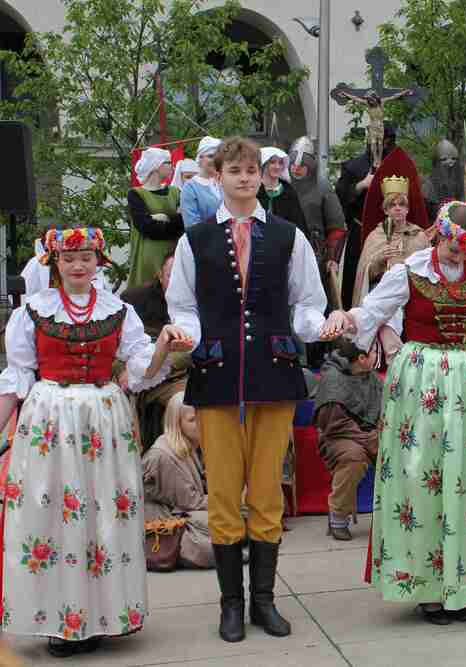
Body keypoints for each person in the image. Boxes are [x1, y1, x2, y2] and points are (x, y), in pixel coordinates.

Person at [322, 201, 466, 625]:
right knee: (423, 474)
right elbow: (373, 311)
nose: (460, 259)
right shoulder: (410, 272)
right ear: (441, 237)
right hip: (423, 377)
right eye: (454, 250)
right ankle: (428, 586)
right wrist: (346, 317)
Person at [166, 137, 329, 643]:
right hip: (216, 373)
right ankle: (230, 605)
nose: (244, 178)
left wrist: (316, 327)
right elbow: (183, 303)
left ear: (262, 176)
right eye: (234, 170)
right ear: (218, 176)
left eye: (251, 170)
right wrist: (189, 337)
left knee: (265, 490)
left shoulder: (287, 236)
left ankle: (264, 601)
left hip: (273, 371)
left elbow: (307, 299)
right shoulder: (195, 239)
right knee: (223, 493)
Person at [0, 227, 190, 658]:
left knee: (103, 511)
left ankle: (102, 614)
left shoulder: (117, 310)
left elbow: (142, 367)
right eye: (69, 259)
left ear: (98, 261)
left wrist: (162, 345)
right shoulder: (33, 310)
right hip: (51, 419)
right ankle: (59, 622)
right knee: (53, 518)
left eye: (86, 257)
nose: (78, 265)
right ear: (55, 264)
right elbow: (16, 379)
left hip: (103, 421)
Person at [353, 176, 432, 361]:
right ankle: (393, 355)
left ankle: (397, 355)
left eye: (401, 204)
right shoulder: (376, 236)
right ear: (386, 210)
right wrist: (380, 260)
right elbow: (365, 273)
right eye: (392, 205)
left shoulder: (419, 236)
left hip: (413, 289)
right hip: (382, 288)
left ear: (407, 209)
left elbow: (429, 268)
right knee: (387, 306)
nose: (397, 208)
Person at [313, 337, 382, 541]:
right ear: (361, 358)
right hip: (337, 436)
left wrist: (379, 433)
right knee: (354, 458)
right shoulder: (333, 378)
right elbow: (333, 423)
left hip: (370, 433)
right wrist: (369, 438)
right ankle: (337, 517)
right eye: (374, 353)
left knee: (396, 453)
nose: (377, 357)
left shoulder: (371, 377)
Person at [122, 251, 191, 449]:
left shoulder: (200, 303)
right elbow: (117, 344)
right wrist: (120, 371)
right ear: (160, 276)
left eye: (182, 276)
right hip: (138, 375)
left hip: (180, 377)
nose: (178, 281)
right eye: (171, 275)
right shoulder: (134, 300)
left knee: (192, 402)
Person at [143, 393, 214, 569]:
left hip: (183, 511)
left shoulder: (192, 445)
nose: (201, 423)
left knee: (233, 518)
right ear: (177, 423)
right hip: (164, 521)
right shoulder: (163, 456)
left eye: (203, 417)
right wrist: (231, 500)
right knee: (222, 524)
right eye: (192, 420)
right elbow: (191, 502)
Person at [336, 123, 398, 309]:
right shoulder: (353, 166)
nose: (381, 145)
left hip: (391, 233)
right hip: (360, 231)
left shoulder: (398, 166)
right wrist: (361, 185)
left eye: (387, 141)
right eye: (378, 140)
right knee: (355, 277)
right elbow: (339, 196)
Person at [289, 135, 347, 316]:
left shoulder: (322, 187)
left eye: (301, 166)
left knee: (315, 304)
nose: (296, 169)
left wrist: (332, 258)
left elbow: (337, 227)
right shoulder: (279, 185)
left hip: (315, 255)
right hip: (283, 250)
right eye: (293, 165)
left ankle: (318, 343)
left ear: (311, 166)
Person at [127, 147, 183, 289]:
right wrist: (173, 219)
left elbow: (183, 223)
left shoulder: (175, 192)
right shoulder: (136, 194)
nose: (173, 166)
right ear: (156, 166)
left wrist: (162, 218)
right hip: (147, 257)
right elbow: (148, 228)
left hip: (173, 255)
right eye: (168, 162)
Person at [21, 224, 109, 297]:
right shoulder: (36, 262)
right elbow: (28, 291)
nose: (77, 266)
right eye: (68, 260)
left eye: (86, 259)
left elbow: (101, 286)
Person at [422, 138, 466, 222]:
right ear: (436, 163)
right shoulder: (428, 189)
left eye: (454, 159)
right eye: (444, 159)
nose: (450, 163)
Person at [258, 147, 308, 234]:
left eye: (280, 163)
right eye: (272, 162)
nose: (277, 166)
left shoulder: (289, 193)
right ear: (263, 164)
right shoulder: (254, 191)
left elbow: (299, 225)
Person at [179, 136, 223, 229]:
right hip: (206, 240)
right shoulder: (190, 187)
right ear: (200, 158)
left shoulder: (225, 182)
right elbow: (192, 225)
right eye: (211, 156)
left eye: (218, 156)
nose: (215, 160)